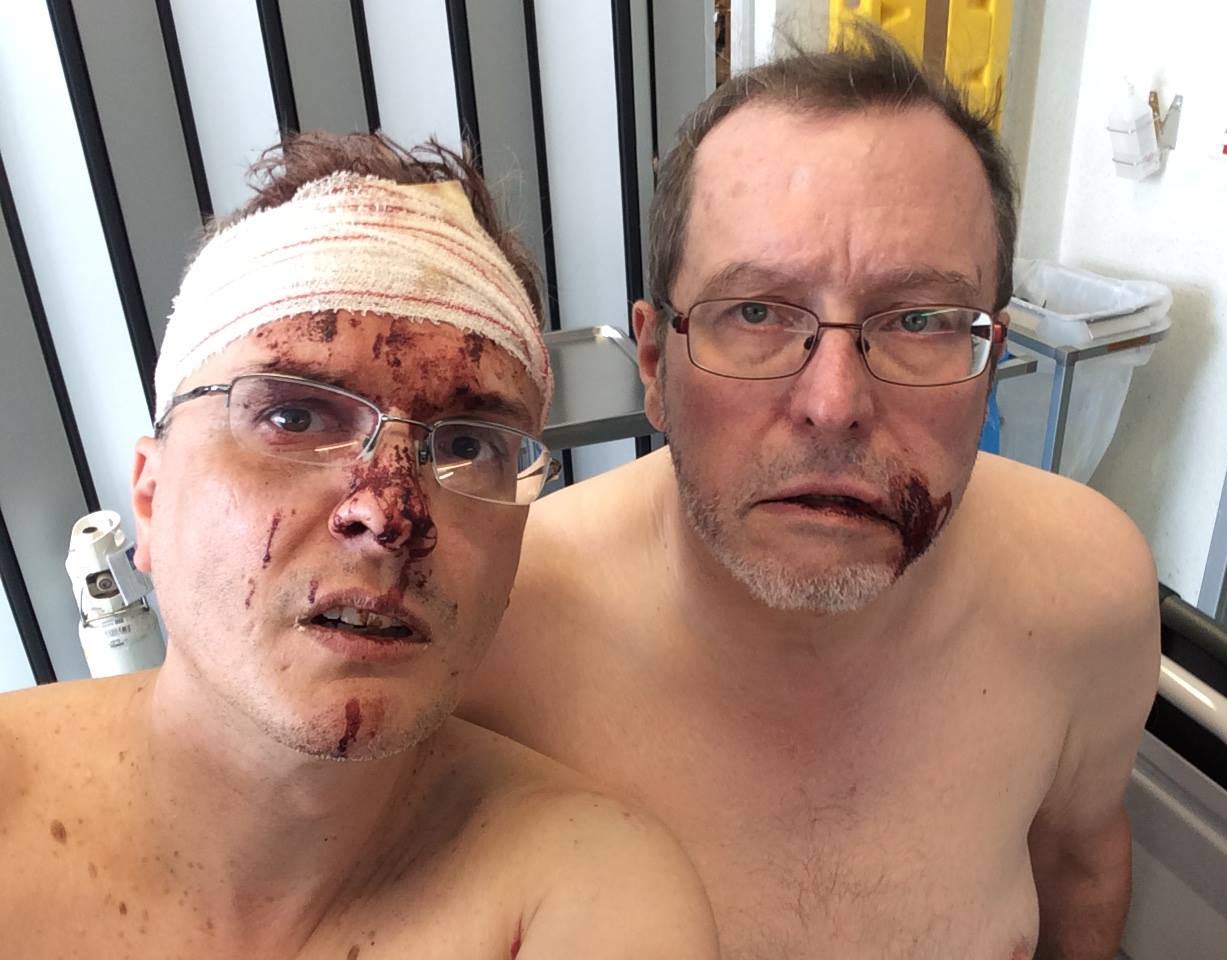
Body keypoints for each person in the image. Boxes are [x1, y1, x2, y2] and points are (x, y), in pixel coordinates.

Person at [462, 30, 1161, 960]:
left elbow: (1081, 863)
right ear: (655, 361)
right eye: (755, 311)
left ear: (990, 363)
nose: (833, 406)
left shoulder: (1086, 592)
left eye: (919, 319)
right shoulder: (489, 632)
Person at [0, 133, 718, 959]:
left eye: (468, 446)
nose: (389, 513)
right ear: (151, 498)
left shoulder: (591, 890)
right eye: (293, 416)